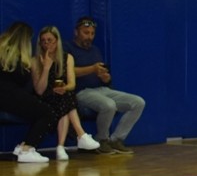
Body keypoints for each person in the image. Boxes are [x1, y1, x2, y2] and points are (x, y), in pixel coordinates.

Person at [66, 16, 146, 154]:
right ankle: (101, 140)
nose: (89, 37)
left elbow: (102, 74)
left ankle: (116, 139)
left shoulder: (95, 50)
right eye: (86, 33)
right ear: (76, 32)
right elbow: (68, 72)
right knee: (109, 105)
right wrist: (92, 69)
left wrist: (105, 78)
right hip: (82, 91)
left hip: (102, 89)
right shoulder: (68, 48)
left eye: (92, 34)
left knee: (138, 102)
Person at [31, 26, 101, 160]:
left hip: (62, 95)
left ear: (57, 41)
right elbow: (39, 90)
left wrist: (64, 88)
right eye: (43, 41)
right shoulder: (35, 61)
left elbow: (72, 84)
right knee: (66, 100)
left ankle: (61, 146)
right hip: (44, 97)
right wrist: (46, 68)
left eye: (50, 40)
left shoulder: (67, 58)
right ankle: (80, 136)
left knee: (65, 97)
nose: (47, 44)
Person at [0, 22, 62, 164]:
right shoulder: (18, 57)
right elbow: (21, 80)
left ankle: (22, 148)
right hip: (8, 94)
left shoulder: (3, 50)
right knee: (47, 113)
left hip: (6, 95)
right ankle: (28, 148)